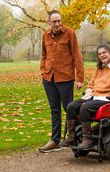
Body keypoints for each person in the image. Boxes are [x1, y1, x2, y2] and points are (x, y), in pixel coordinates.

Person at [60, 44, 110, 149]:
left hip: (109, 99)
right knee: (71, 106)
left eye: (104, 53)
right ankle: (72, 137)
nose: (102, 55)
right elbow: (91, 84)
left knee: (85, 108)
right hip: (95, 96)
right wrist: (89, 90)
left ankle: (87, 140)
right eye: (99, 54)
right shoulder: (99, 68)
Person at [38, 10, 84, 153]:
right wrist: (43, 70)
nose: (57, 23)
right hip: (48, 78)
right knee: (54, 110)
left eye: (59, 21)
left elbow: (77, 55)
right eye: (54, 21)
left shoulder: (70, 33)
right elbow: (44, 55)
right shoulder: (45, 35)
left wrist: (80, 78)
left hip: (65, 78)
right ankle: (55, 141)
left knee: (68, 108)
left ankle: (76, 137)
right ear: (49, 22)